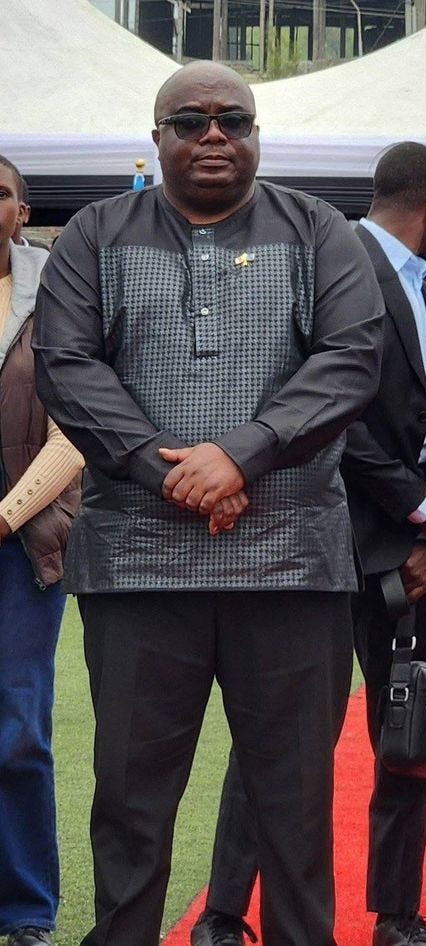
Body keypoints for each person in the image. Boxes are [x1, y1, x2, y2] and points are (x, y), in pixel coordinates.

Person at [33, 61, 385, 946]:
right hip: (138, 568)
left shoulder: (320, 231)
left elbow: (351, 361)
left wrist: (242, 454)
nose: (214, 134)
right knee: (131, 810)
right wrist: (172, 474)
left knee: (294, 813)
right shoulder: (94, 234)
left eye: (234, 119)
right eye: (190, 122)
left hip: (292, 565)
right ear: (157, 139)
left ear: (258, 133)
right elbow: (66, 367)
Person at [189, 142, 426, 946]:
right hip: (315, 545)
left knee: (412, 733)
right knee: (277, 737)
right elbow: (328, 418)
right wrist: (425, 510)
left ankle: (398, 915)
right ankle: (224, 915)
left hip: (411, 558)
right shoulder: (332, 264)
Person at [0, 155, 83, 946]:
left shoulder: (55, 293)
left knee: (19, 727)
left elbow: (73, 429)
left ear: (23, 212)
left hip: (21, 545)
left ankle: (26, 909)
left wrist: (5, 516)